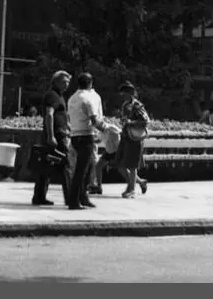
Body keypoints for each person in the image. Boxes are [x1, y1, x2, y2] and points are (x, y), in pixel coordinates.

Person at [66, 72, 109, 210]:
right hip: (86, 136)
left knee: (88, 167)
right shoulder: (88, 99)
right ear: (90, 83)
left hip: (75, 135)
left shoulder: (72, 98)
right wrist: (108, 128)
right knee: (82, 170)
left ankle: (83, 197)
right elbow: (95, 121)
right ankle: (74, 200)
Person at [31, 71, 72, 207]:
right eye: (63, 82)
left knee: (46, 166)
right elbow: (49, 115)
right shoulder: (52, 96)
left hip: (60, 134)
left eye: (67, 82)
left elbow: (62, 117)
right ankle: (70, 198)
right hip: (57, 136)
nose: (66, 85)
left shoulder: (59, 96)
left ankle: (39, 197)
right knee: (66, 165)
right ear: (55, 82)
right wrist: (51, 136)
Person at [116, 82, 150, 198]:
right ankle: (140, 182)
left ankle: (131, 189)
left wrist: (131, 122)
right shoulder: (125, 105)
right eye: (122, 92)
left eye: (125, 92)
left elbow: (145, 121)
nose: (123, 95)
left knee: (132, 166)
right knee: (119, 164)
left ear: (131, 93)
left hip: (134, 138)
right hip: (125, 136)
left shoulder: (138, 106)